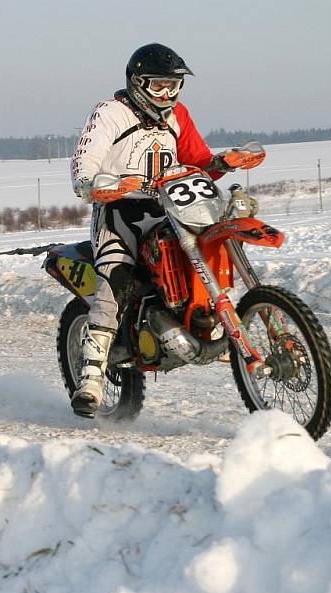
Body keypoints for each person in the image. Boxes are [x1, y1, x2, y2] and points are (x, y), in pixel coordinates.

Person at [69, 43, 235, 418]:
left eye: (174, 86)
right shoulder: (109, 113)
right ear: (138, 83)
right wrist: (92, 183)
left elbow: (198, 160)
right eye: (159, 86)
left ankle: (208, 322)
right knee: (116, 282)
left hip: (168, 208)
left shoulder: (178, 115)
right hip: (117, 210)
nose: (167, 94)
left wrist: (223, 162)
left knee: (206, 248)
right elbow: (85, 159)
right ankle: (91, 380)